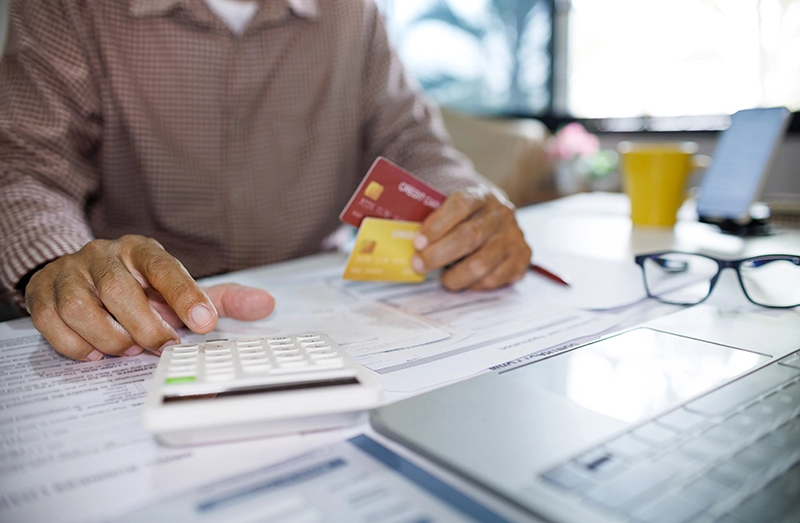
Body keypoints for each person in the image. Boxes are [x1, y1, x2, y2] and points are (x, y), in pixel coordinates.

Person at [0, 0, 533, 362]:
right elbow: (25, 165)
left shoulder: (354, 13)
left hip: (322, 308)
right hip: (141, 312)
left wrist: (473, 207)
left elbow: (416, 144)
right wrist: (63, 267)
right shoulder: (69, 9)